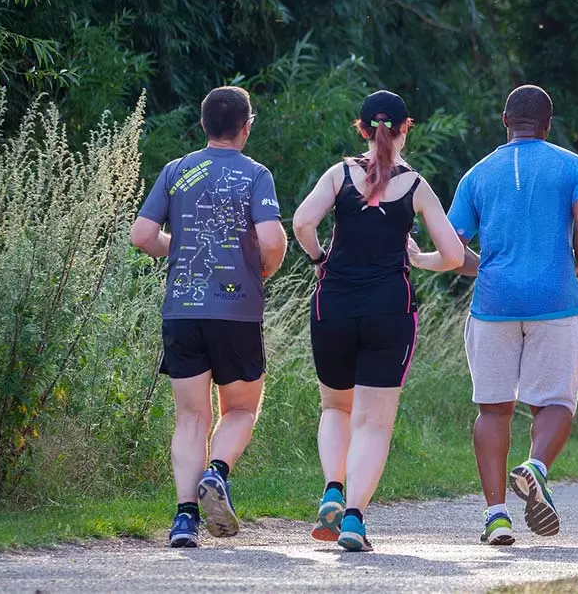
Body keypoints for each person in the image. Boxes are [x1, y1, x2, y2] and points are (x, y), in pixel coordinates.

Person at [292, 90, 463, 553]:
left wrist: (318, 259)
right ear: (406, 128)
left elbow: (303, 222)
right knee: (374, 423)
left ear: (362, 129)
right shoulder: (417, 186)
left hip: (334, 305)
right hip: (390, 309)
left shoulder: (338, 175)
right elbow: (452, 256)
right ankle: (353, 519)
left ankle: (332, 488)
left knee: (335, 408)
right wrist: (419, 258)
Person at [435, 84, 578, 546]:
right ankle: (535, 467)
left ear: (504, 120)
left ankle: (496, 517)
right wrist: (576, 264)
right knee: (555, 401)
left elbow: (452, 248)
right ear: (548, 125)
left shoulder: (477, 175)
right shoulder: (574, 167)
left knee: (493, 407)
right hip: (556, 300)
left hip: (493, 305)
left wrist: (482, 268)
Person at [130, 86, 287, 548]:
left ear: (203, 125)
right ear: (247, 126)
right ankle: (217, 471)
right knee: (240, 408)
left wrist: (174, 250)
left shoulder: (176, 171)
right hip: (237, 311)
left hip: (182, 310)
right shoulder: (256, 175)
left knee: (190, 418)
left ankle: (183, 520)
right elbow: (273, 240)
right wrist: (262, 271)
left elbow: (142, 234)